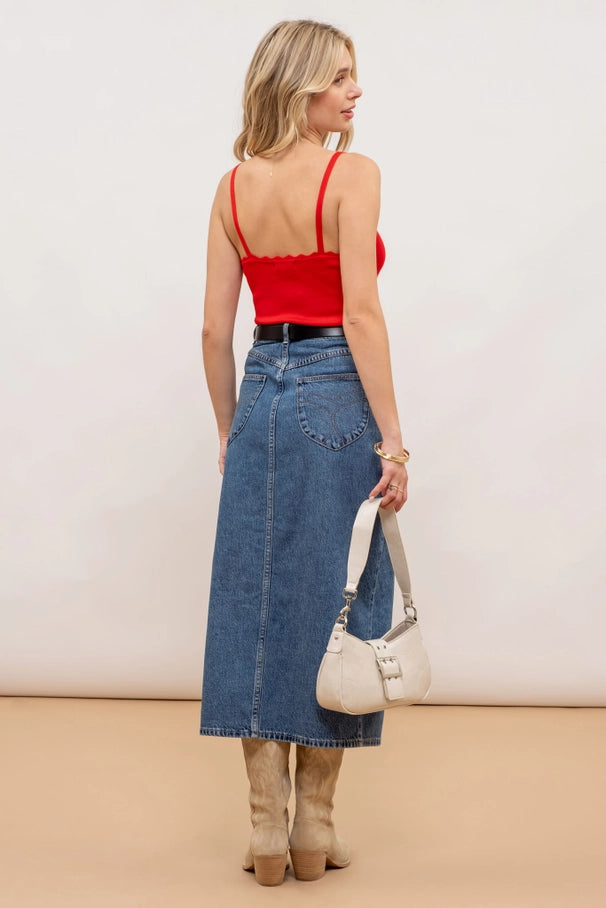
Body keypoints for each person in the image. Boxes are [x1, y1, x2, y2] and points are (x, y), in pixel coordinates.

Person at [200, 19, 409, 886]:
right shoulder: (350, 175)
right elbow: (360, 314)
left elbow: (215, 329)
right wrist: (393, 439)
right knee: (343, 593)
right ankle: (315, 824)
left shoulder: (231, 187)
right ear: (299, 87)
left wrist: (230, 428)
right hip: (333, 387)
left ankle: (265, 830)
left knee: (254, 599)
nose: (356, 91)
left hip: (262, 387)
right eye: (340, 77)